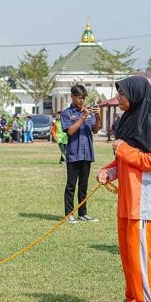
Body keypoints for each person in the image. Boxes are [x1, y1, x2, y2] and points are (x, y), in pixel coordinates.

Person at [97, 76, 151, 302]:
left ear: (135, 94)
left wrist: (122, 149)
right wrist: (108, 171)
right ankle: (132, 300)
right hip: (126, 199)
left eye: (122, 94)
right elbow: (122, 159)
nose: (119, 99)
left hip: (141, 201)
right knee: (127, 253)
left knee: (140, 254)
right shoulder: (128, 120)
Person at [61, 84, 101, 223]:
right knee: (71, 185)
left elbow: (95, 130)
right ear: (72, 97)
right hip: (73, 154)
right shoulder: (66, 113)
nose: (81, 101)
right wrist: (82, 118)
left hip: (87, 154)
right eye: (79, 98)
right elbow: (70, 131)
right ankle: (69, 214)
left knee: (83, 186)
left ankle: (83, 213)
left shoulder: (88, 112)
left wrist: (98, 116)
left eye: (83, 98)